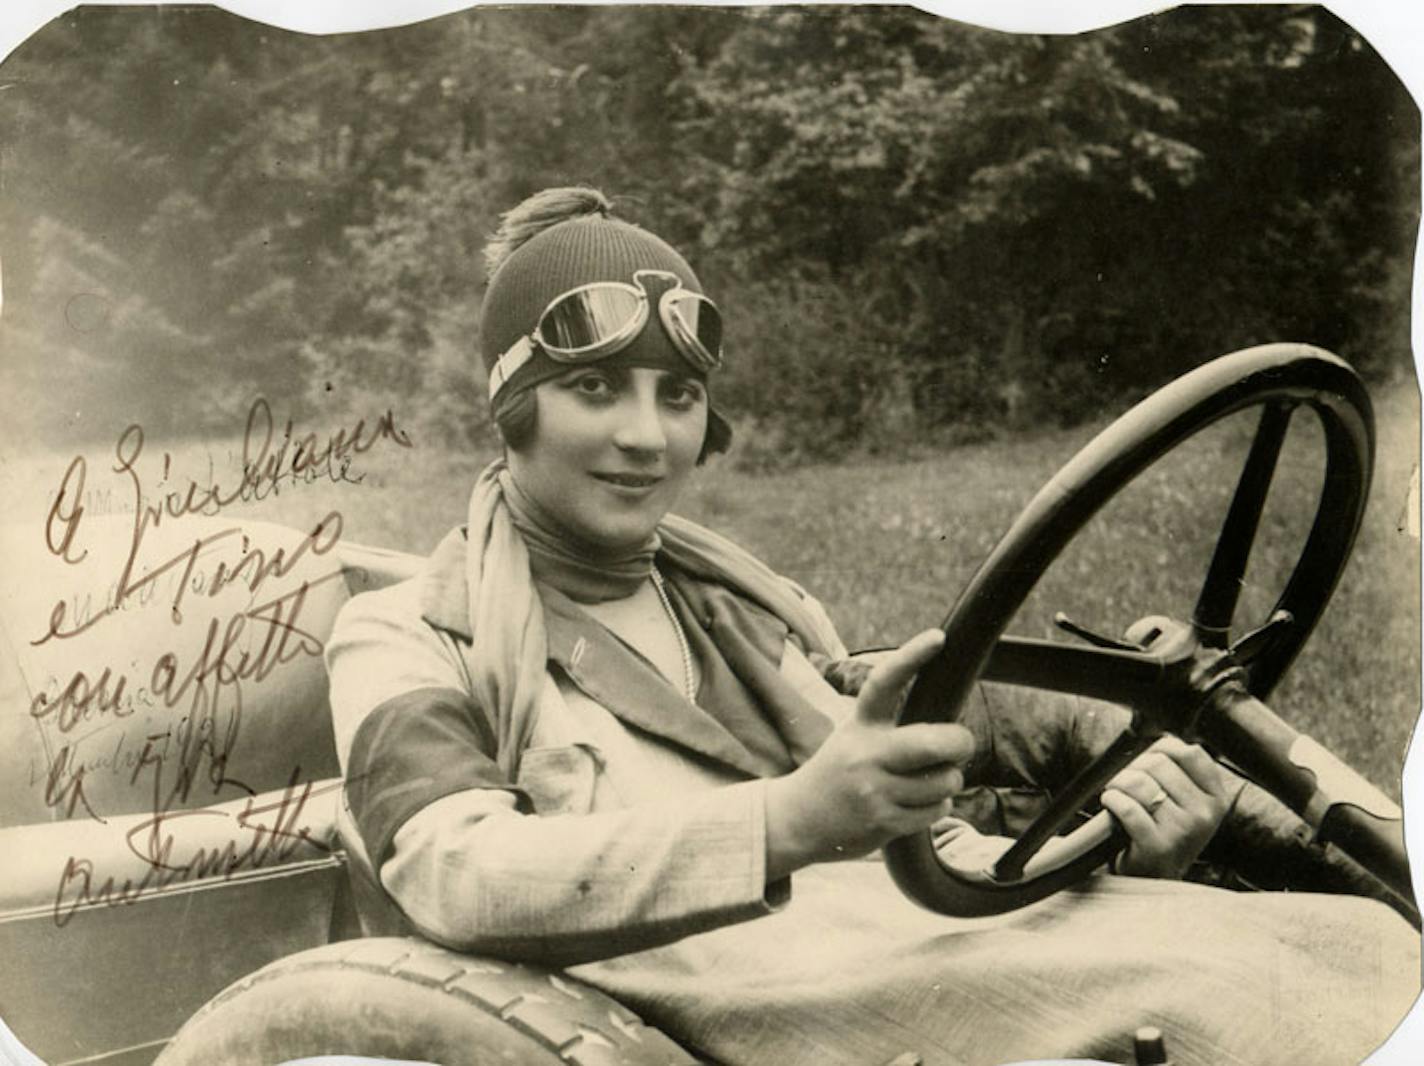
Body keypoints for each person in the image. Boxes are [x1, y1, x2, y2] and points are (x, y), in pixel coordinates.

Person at [325, 187, 1418, 1066]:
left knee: (1358, 941)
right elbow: (451, 870)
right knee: (1254, 1010)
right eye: (599, 388)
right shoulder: (408, 633)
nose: (646, 437)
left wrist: (1132, 850)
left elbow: (931, 854)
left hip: (921, 940)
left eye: (676, 394)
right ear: (512, 404)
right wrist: (791, 820)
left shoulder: (748, 605)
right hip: (769, 989)